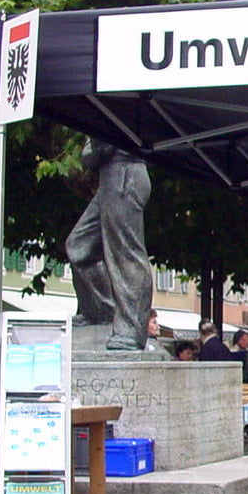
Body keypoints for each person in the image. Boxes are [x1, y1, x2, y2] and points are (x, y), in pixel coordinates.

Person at [66, 138, 153, 351]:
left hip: (124, 174)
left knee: (126, 254)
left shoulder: (115, 107)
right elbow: (91, 152)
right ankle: (99, 311)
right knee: (79, 245)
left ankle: (131, 330)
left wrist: (91, 149)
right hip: (111, 178)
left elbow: (96, 150)